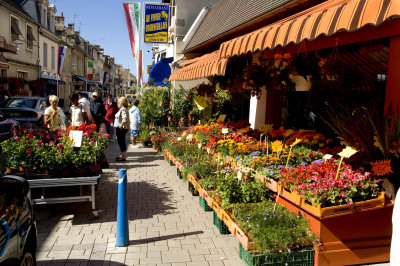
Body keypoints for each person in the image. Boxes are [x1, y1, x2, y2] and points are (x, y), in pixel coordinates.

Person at [115, 97, 130, 161]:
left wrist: (121, 125)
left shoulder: (123, 109)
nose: (118, 103)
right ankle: (122, 155)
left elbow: (125, 118)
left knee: (121, 141)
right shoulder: (123, 109)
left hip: (121, 128)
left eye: (119, 102)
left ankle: (123, 156)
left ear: (121, 103)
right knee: (121, 141)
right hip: (121, 128)